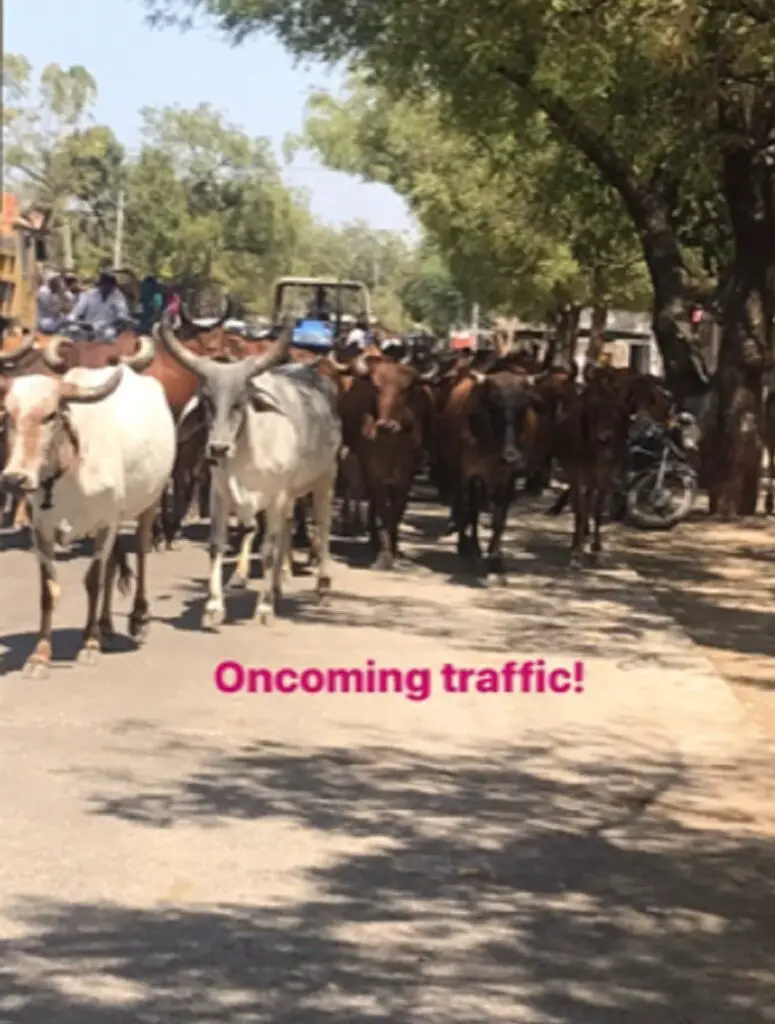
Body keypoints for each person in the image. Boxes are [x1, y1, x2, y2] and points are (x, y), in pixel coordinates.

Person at [68, 268, 130, 336]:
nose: (106, 287)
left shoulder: (119, 297)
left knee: (109, 334)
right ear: (100, 285)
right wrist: (72, 318)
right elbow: (77, 311)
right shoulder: (89, 295)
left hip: (108, 329)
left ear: (113, 286)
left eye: (109, 284)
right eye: (104, 284)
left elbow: (122, 317)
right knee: (72, 330)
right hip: (88, 328)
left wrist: (108, 325)